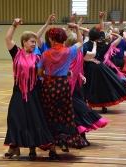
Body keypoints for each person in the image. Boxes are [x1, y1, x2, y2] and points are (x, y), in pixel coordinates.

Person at [3, 18, 57, 160]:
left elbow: (43, 73)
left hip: (34, 92)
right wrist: (14, 25)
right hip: (18, 92)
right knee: (15, 119)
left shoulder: (38, 57)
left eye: (35, 42)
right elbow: (7, 38)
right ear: (24, 42)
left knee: (33, 119)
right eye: (32, 41)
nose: (34, 44)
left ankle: (33, 148)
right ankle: (14, 147)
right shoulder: (16, 53)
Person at [37, 24, 88, 152]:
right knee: (64, 114)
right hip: (63, 86)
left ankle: (52, 146)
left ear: (52, 39)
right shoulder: (68, 51)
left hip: (48, 87)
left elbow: (39, 73)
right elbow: (80, 42)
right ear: (64, 39)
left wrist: (50, 73)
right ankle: (63, 139)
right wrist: (76, 27)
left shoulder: (45, 54)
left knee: (50, 115)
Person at [82, 12, 126, 113]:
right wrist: (101, 17)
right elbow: (102, 27)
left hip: (90, 68)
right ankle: (103, 106)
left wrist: (91, 60)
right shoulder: (103, 44)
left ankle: (89, 105)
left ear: (89, 36)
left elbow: (84, 57)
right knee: (102, 87)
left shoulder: (86, 45)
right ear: (98, 36)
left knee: (90, 87)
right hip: (101, 67)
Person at [65, 32, 109, 146]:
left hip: (77, 85)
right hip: (67, 86)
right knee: (77, 110)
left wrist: (80, 75)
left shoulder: (80, 52)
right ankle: (76, 137)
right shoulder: (66, 53)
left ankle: (81, 136)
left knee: (78, 111)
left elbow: (78, 67)